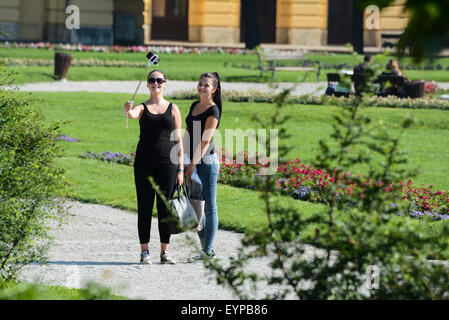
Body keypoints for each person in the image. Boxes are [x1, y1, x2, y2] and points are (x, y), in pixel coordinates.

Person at [123, 70, 184, 265]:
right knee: (145, 206)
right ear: (148, 84)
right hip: (144, 163)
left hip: (169, 163)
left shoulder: (173, 108)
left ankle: (164, 252)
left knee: (165, 207)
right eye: (152, 80)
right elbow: (131, 115)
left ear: (165, 84)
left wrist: (181, 169)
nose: (155, 83)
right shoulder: (142, 107)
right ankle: (145, 251)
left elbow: (179, 140)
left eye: (159, 80)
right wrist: (127, 109)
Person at [183, 72, 222, 262]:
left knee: (209, 206)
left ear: (213, 89)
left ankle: (208, 249)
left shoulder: (213, 111)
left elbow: (205, 141)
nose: (202, 88)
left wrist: (191, 166)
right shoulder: (194, 106)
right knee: (194, 204)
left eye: (206, 85)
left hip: (206, 163)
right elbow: (188, 133)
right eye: (200, 84)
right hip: (191, 160)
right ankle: (206, 248)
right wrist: (180, 157)